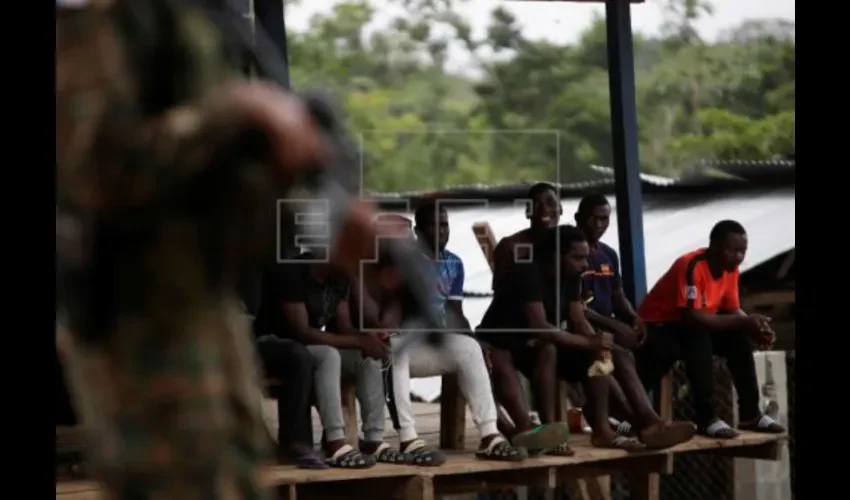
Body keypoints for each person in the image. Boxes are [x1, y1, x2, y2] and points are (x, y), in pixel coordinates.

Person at [57, 1, 416, 495]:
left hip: (211, 317)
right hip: (138, 330)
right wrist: (237, 117)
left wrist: (323, 222)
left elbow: (212, 188)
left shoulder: (202, 19)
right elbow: (92, 173)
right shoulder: (104, 16)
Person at [366, 203, 565, 464]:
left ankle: (490, 436)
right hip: (399, 348)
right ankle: (408, 437)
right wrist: (384, 329)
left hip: (431, 345)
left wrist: (474, 341)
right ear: (418, 231)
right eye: (433, 225)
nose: (442, 231)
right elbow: (391, 310)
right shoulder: (401, 266)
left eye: (445, 225)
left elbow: (455, 313)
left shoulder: (454, 263)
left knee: (470, 350)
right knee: (396, 349)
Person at [481, 225, 696, 452]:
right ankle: (551, 432)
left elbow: (577, 319)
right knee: (551, 348)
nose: (585, 264)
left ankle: (643, 423)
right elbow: (540, 328)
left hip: (537, 344)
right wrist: (589, 342)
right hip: (505, 342)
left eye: (585, 258)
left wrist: (598, 341)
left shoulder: (572, 275)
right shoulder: (528, 273)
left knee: (615, 353)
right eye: (578, 258)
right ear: (555, 256)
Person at [256, 250, 408, 468]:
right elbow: (302, 332)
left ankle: (373, 440)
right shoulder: (291, 271)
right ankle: (336, 443)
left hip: (309, 349)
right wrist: (358, 342)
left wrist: (368, 339)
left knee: (368, 357)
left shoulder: (340, 277)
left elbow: (345, 326)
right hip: (277, 346)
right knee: (329, 355)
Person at [635, 220, 786, 438]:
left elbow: (732, 309)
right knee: (699, 335)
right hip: (659, 326)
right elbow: (691, 316)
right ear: (715, 247)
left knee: (737, 339)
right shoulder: (691, 265)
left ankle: (751, 414)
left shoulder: (730, 270)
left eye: (743, 251)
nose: (739, 257)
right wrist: (745, 322)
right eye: (732, 250)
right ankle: (706, 418)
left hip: (690, 327)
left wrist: (754, 326)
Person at [574, 195, 647, 350]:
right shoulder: (568, 255)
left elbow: (617, 294)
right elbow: (575, 308)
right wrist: (615, 326)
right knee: (623, 355)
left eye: (604, 219)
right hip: (581, 326)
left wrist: (633, 317)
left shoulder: (609, 254)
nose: (599, 224)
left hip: (607, 323)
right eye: (593, 219)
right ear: (578, 218)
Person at [491, 183, 562, 289]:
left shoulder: (573, 245)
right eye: (537, 205)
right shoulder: (509, 247)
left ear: (560, 209)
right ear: (528, 212)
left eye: (551, 203)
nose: (544, 209)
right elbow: (502, 295)